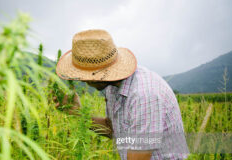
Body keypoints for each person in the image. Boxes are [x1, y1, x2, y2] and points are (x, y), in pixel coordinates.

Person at [55, 29, 189, 160]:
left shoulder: (144, 96)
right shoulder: (111, 86)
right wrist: (78, 113)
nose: (83, 80)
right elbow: (112, 129)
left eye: (85, 75)